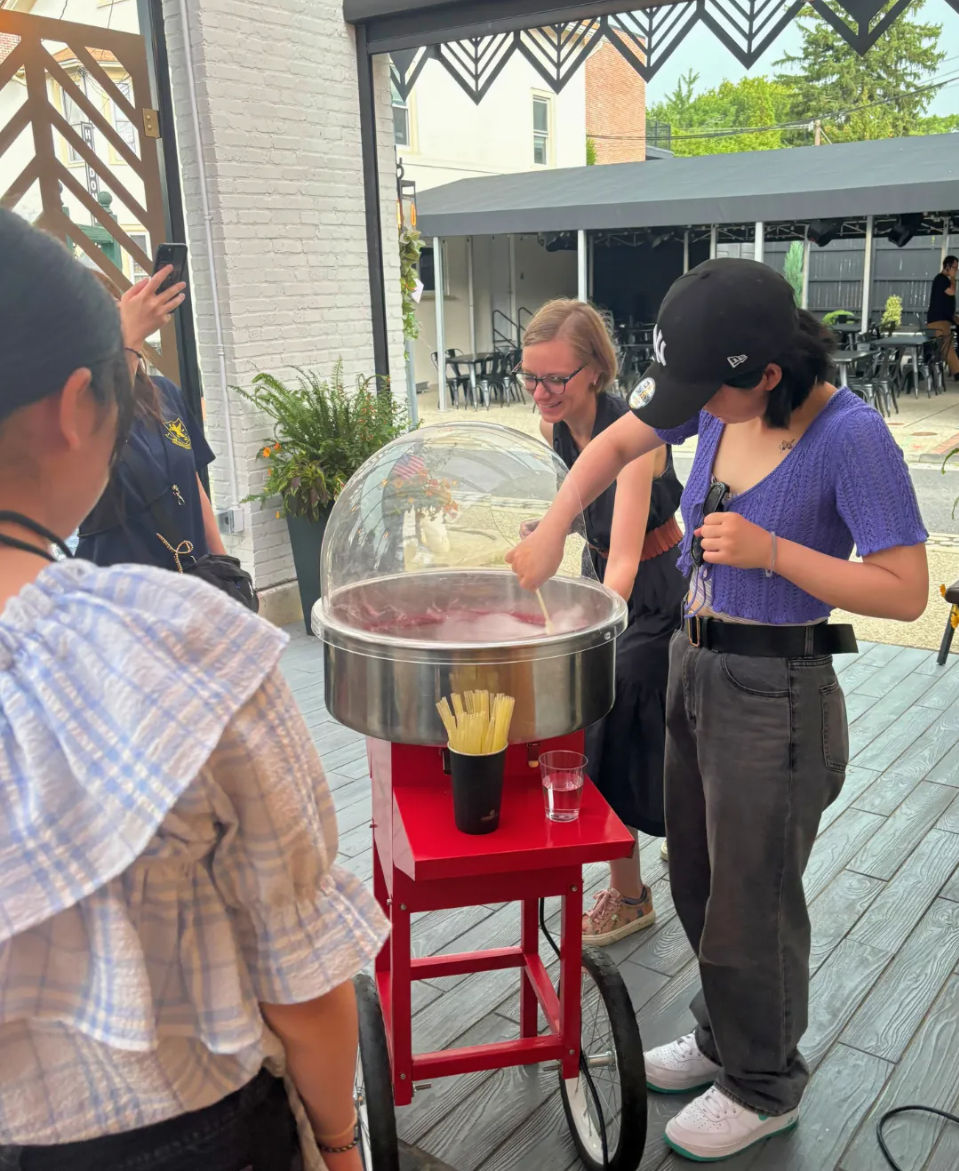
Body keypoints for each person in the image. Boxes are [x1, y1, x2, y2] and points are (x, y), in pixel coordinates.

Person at [508, 258, 928, 1162]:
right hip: (693, 666)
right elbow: (620, 442)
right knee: (697, 880)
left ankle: (765, 1078)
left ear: (767, 375)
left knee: (753, 898)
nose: (691, 407)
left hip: (777, 693)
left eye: (708, 391)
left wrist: (774, 551)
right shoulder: (716, 398)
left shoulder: (849, 437)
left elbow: (903, 588)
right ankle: (721, 1035)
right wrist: (553, 523)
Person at [0, 210, 387, 1169]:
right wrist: (338, 1146)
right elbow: (300, 979)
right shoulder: (179, 649)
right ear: (76, 403)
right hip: (182, 1137)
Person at [519, 300, 685, 946]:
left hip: (661, 591)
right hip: (609, 585)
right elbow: (580, 525)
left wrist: (571, 626)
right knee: (606, 701)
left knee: (599, 704)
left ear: (593, 371)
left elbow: (621, 563)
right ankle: (672, 829)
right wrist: (545, 534)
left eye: (554, 379)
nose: (540, 393)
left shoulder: (635, 434)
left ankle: (629, 893)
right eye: (529, 377)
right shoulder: (552, 427)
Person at [76, 268, 229, 571]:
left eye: (111, 307)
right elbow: (101, 444)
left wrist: (226, 567)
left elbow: (193, 488)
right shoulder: (74, 412)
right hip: (120, 599)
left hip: (190, 588)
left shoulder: (164, 393)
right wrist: (129, 343)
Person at [926, 254, 959, 379]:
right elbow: (951, 291)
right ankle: (956, 371)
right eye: (955, 267)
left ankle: (956, 370)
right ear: (947, 266)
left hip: (944, 319)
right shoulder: (941, 279)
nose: (956, 270)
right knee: (946, 346)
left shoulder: (942, 280)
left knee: (947, 346)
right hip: (937, 321)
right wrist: (953, 278)